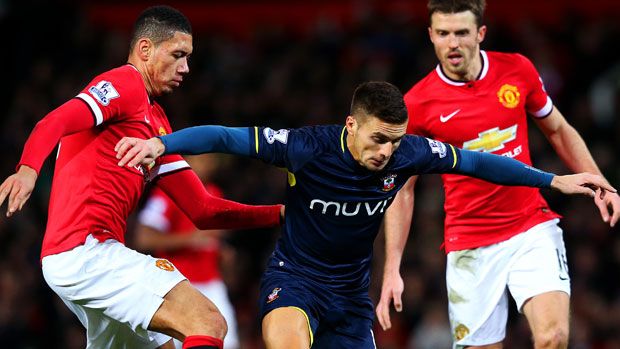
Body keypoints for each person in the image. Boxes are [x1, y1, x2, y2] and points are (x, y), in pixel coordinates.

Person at [113, 81, 614, 349]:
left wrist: (552, 181)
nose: (386, 152)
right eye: (377, 138)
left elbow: (481, 163)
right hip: (295, 282)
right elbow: (225, 137)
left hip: (352, 297)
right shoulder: (308, 147)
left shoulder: (409, 152)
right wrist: (162, 142)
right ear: (351, 125)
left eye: (395, 141)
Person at [0, 6, 283, 349]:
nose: (186, 68)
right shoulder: (125, 83)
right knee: (207, 321)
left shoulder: (157, 127)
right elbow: (54, 122)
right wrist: (27, 170)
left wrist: (281, 213)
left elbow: (204, 210)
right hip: (86, 252)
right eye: (178, 55)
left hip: (87, 258)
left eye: (189, 58)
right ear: (145, 49)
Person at [375, 1, 620, 348]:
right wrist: (391, 269)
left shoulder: (516, 69)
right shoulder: (417, 104)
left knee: (555, 337)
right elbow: (403, 189)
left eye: (461, 33)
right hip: (470, 242)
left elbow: (559, 130)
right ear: (431, 35)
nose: (453, 43)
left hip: (530, 225)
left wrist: (601, 184)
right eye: (443, 34)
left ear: (480, 33)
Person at [135, 154, 240, 349]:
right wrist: (190, 239)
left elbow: (210, 239)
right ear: (185, 162)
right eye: (202, 160)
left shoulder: (214, 191)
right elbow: (144, 237)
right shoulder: (168, 193)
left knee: (228, 344)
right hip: (179, 284)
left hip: (213, 283)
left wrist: (221, 252)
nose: (208, 166)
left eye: (211, 161)